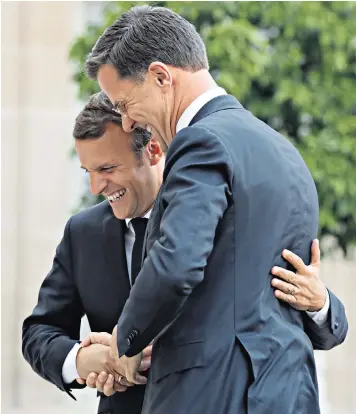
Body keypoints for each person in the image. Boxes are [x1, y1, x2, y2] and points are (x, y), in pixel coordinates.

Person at [85, 6, 348, 414]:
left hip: (213, 396)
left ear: (160, 77)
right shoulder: (285, 151)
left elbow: (176, 266)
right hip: (289, 394)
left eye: (124, 103)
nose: (126, 121)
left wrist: (124, 342)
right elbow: (238, 294)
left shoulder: (200, 142)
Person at [22, 93, 347, 414]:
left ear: (152, 151)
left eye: (107, 168)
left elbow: (270, 315)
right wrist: (89, 360)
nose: (96, 187)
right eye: (87, 171)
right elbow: (38, 333)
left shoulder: (221, 216)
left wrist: (321, 304)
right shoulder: (82, 233)